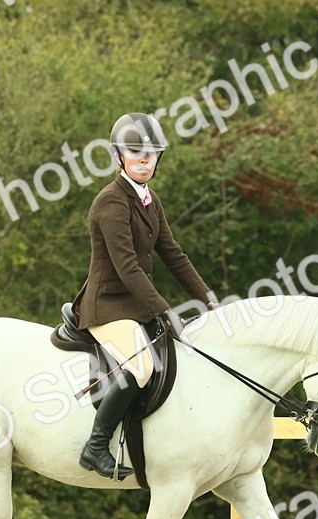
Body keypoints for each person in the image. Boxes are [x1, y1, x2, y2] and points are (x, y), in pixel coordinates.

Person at [71, 112, 218, 480]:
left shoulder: (151, 199)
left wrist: (209, 300)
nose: (144, 159)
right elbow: (127, 268)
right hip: (106, 306)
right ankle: (95, 446)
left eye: (152, 153)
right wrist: (165, 310)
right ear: (118, 156)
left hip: (135, 306)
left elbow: (174, 255)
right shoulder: (111, 202)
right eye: (135, 152)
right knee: (142, 365)